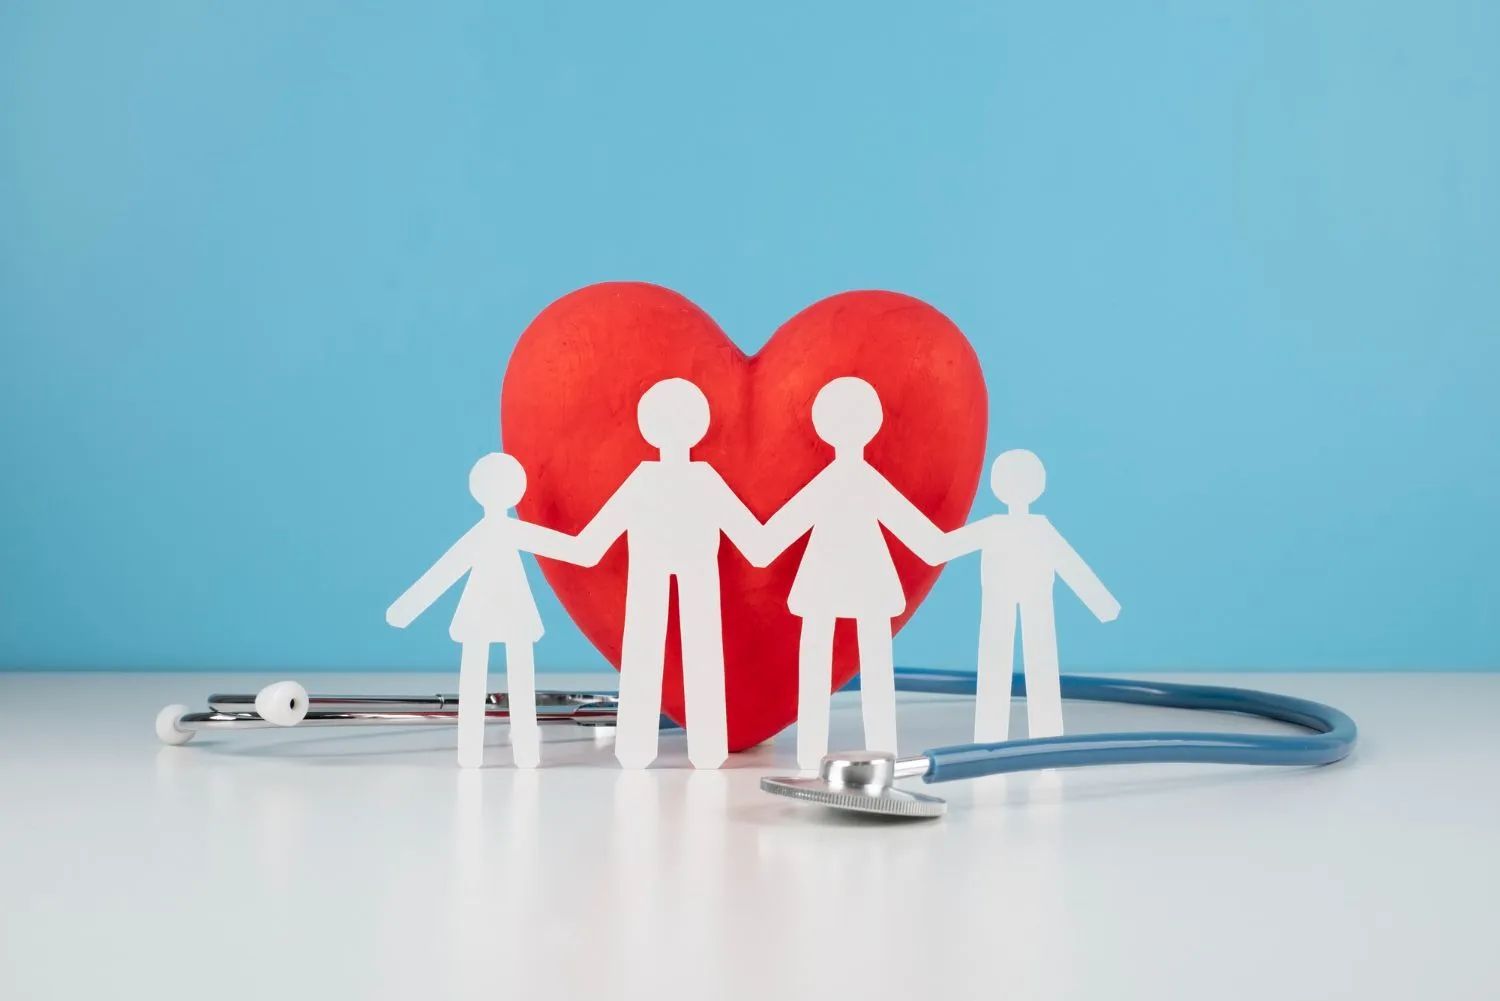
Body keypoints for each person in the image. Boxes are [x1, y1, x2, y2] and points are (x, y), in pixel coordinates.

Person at [572, 378, 770, 769]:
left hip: (680, 571)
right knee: (692, 649)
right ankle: (698, 749)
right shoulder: (690, 479)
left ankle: (643, 748)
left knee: (654, 648)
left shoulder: (656, 480)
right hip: (680, 571)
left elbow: (590, 544)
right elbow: (756, 542)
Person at [759, 377, 947, 770]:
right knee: (867, 664)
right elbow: (921, 536)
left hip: (831, 579)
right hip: (860, 578)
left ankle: (817, 752)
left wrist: (752, 542)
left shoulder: (835, 482)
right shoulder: (858, 481)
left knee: (824, 664)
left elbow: (775, 535)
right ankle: (879, 750)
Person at [385, 452, 589, 768]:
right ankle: (513, 755)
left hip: (494, 613)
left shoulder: (491, 532)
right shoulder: (504, 531)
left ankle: (498, 755)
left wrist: (406, 609)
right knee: (506, 682)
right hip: (497, 613)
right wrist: (405, 609)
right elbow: (574, 549)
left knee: (489, 682)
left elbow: (444, 571)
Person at [936, 449, 1120, 741]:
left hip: (1025, 602)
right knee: (1024, 663)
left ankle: (994, 739)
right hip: (1018, 602)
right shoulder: (1028, 528)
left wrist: (1103, 604)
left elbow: (939, 549)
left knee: (1012, 663)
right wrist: (1103, 604)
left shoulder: (1002, 527)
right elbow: (1071, 565)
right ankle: (1014, 737)